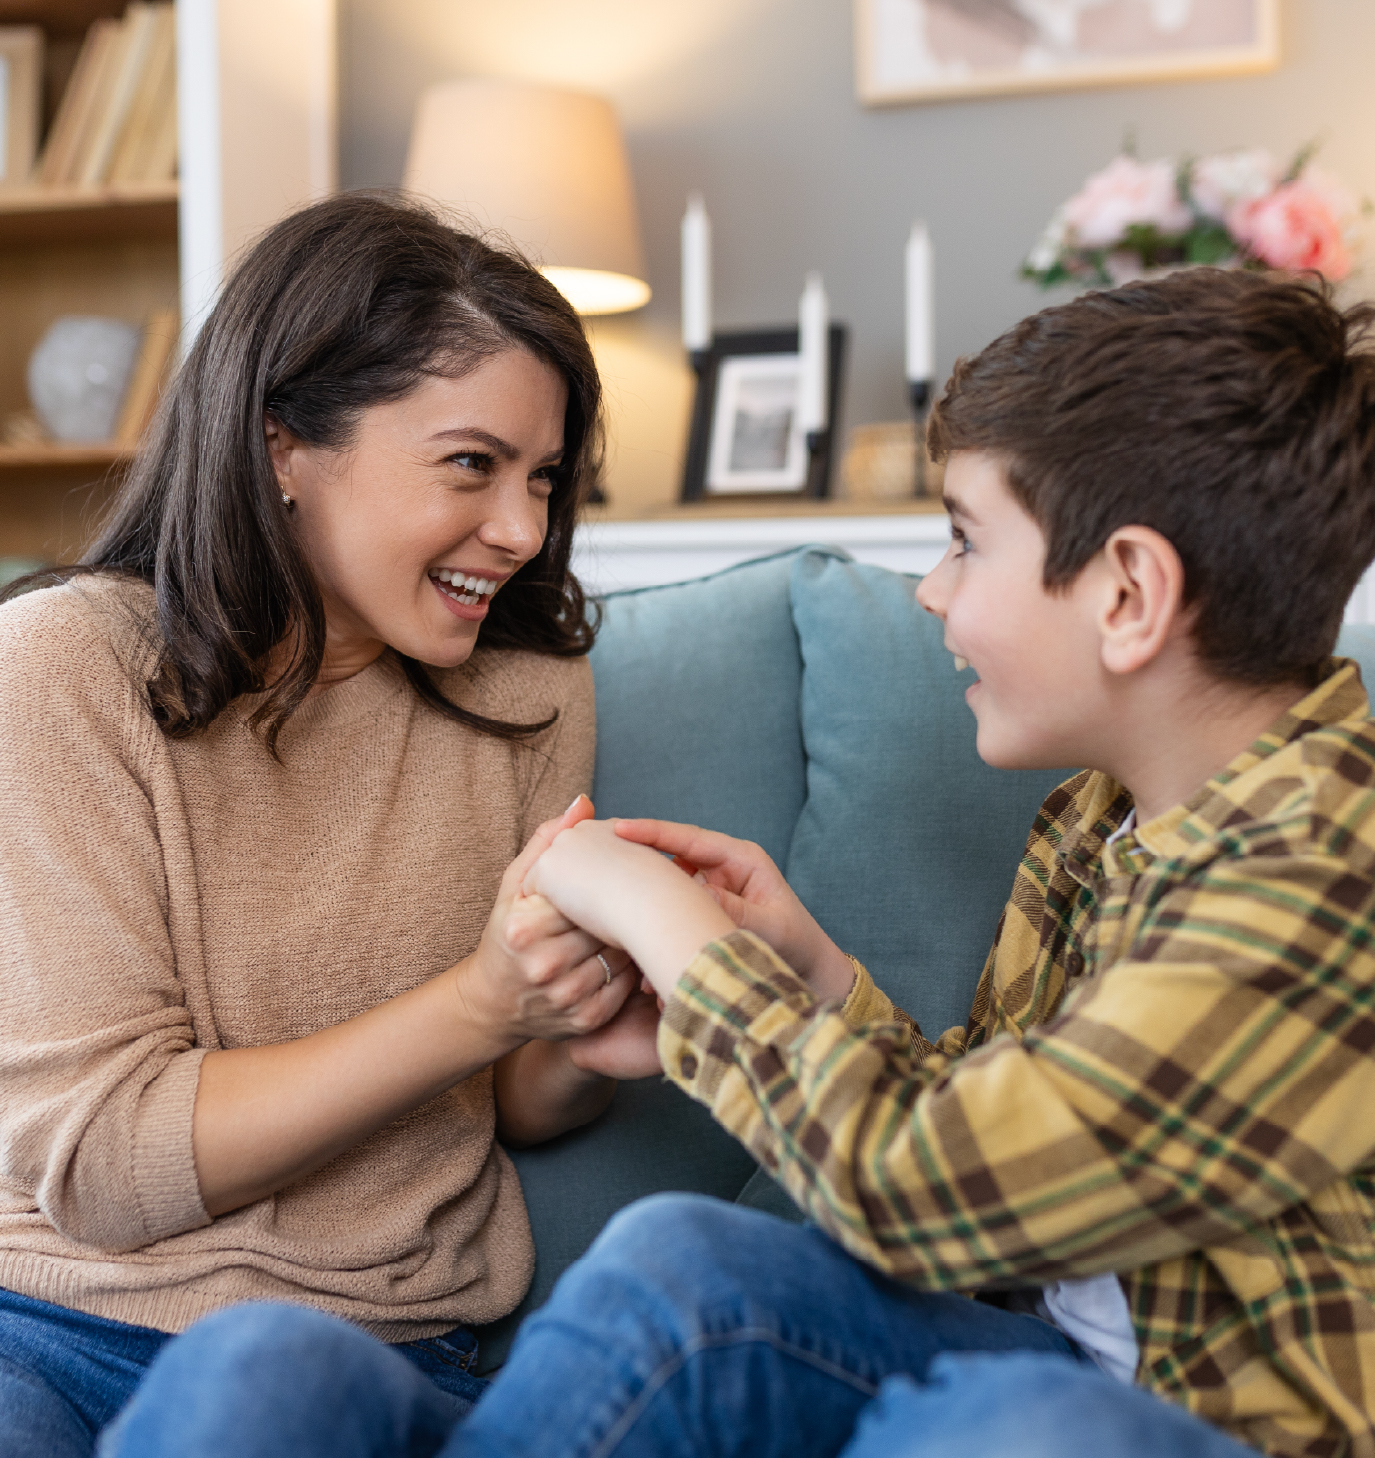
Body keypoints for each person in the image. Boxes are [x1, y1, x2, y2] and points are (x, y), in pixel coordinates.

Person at [99, 268, 1375, 1458]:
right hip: (1049, 1342)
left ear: (1129, 595)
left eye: (965, 542)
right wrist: (808, 970)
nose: (931, 593)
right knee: (686, 1267)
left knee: (1012, 1421)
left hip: (1220, 1419)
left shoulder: (1323, 874)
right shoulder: (1101, 814)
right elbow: (1018, 1123)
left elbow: (922, 1191)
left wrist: (681, 941)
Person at [0, 193, 659, 1458]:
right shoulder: (62, 671)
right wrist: (480, 998)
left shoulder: (528, 694)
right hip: (47, 1320)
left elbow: (512, 1102)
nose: (521, 533)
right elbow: (107, 1171)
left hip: (371, 1341)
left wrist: (582, 1019)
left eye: (543, 481)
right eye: (471, 465)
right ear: (282, 447)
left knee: (261, 1379)